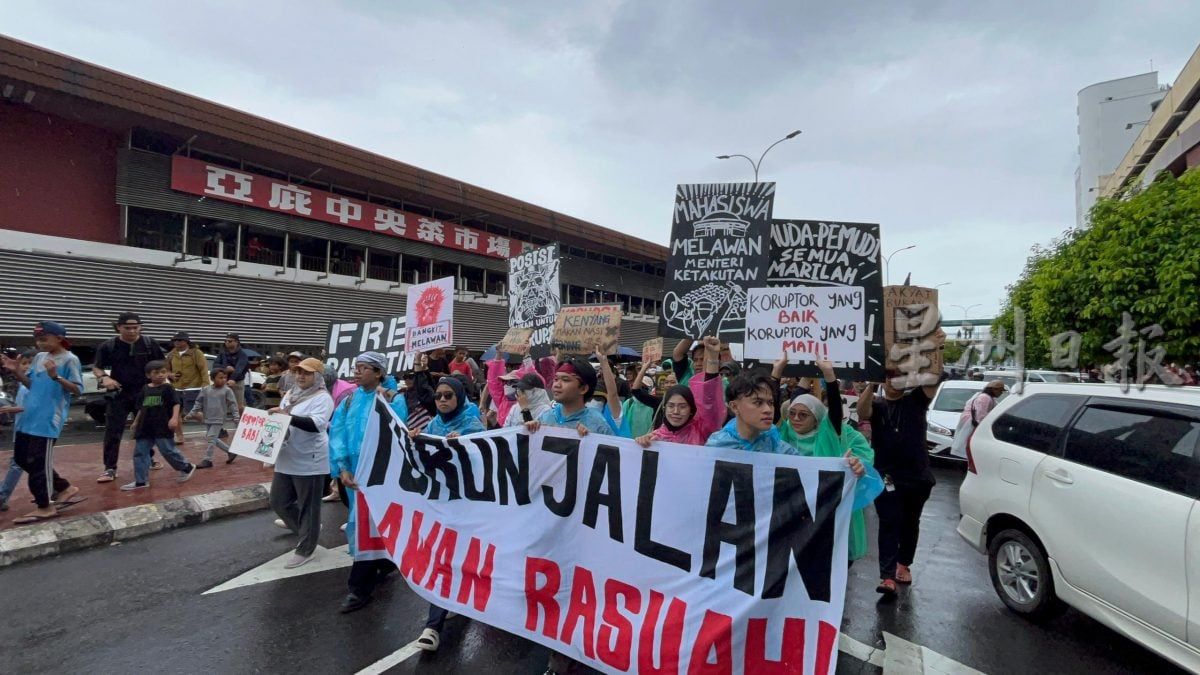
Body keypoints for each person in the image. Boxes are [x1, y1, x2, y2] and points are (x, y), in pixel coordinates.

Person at [521, 357, 613, 674]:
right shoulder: (546, 416)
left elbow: (618, 469)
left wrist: (595, 444)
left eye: (565, 379)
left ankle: (565, 655)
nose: (556, 384)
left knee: (574, 585)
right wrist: (531, 433)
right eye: (556, 378)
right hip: (549, 516)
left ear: (584, 388)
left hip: (582, 521)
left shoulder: (597, 424)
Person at [857, 345, 945, 595]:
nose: (893, 379)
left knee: (910, 523)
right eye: (888, 375)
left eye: (898, 375)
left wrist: (936, 346)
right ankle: (886, 577)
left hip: (917, 478)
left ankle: (903, 564)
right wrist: (871, 384)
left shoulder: (917, 399)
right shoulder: (877, 404)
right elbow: (862, 412)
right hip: (886, 477)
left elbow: (934, 377)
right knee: (888, 522)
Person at [777, 359, 882, 565]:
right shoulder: (786, 434)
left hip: (827, 517)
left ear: (817, 419)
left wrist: (829, 377)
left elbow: (834, 413)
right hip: (796, 517)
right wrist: (790, 373)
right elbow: (796, 401)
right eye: (792, 414)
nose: (796, 418)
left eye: (803, 415)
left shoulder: (830, 438)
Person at [330, 352, 408, 614]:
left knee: (371, 525)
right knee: (362, 525)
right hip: (355, 477)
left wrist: (387, 402)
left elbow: (398, 435)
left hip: (381, 477)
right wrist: (342, 467)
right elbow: (337, 433)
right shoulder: (349, 400)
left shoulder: (394, 399)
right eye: (356, 367)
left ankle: (358, 588)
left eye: (363, 368)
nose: (357, 372)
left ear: (378, 373)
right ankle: (384, 563)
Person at [413, 374, 484, 651]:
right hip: (438, 503)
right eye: (438, 396)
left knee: (455, 557)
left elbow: (483, 448)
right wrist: (416, 440)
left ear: (459, 398)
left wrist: (465, 440)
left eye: (448, 396)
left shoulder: (471, 423)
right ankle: (435, 622)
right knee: (442, 557)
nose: (441, 400)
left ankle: (438, 620)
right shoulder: (434, 423)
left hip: (466, 504)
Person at [2, 323, 84, 523]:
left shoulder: (70, 359)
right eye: (38, 340)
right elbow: (33, 385)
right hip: (30, 415)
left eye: (44, 339)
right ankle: (64, 488)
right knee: (21, 459)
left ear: (59, 338)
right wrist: (17, 372)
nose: (40, 343)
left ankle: (45, 505)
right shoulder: (39, 357)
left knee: (38, 463)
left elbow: (77, 390)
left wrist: (56, 377)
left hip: (48, 418)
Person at [269, 357, 334, 569]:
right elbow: (282, 421)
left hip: (310, 459)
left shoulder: (322, 398)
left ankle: (307, 548)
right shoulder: (290, 394)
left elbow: (316, 425)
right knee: (279, 500)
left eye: (306, 373)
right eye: (298, 372)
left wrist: (287, 416)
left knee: (309, 506)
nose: (300, 376)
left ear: (317, 376)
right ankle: (306, 528)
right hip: (287, 456)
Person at [94, 311, 165, 482]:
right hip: (119, 394)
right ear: (119, 327)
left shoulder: (150, 344)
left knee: (147, 428)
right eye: (127, 328)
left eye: (135, 327)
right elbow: (97, 367)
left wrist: (162, 382)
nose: (132, 331)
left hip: (146, 393)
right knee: (113, 430)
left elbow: (162, 365)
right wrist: (105, 377)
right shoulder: (108, 346)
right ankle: (110, 468)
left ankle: (148, 457)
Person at [635, 336, 724, 447]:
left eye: (682, 406)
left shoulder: (702, 430)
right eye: (671, 406)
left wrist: (712, 357)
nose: (676, 411)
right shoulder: (656, 436)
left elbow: (709, 402)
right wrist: (642, 442)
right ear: (664, 408)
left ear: (692, 409)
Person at [121, 360, 197, 491]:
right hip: (145, 426)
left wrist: (174, 419)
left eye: (164, 372)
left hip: (162, 425)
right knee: (140, 452)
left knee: (167, 450)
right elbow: (141, 407)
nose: (161, 375)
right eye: (157, 373)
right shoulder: (145, 389)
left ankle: (186, 467)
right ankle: (141, 481)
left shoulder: (168, 388)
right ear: (148, 375)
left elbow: (176, 403)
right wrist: (136, 421)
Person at [0, 349, 36, 512]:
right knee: (31, 462)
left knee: (19, 462)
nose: (27, 366)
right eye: (24, 363)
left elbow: (38, 406)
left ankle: (2, 496)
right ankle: (56, 488)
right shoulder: (22, 384)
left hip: (33, 428)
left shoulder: (35, 383)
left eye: (31, 363)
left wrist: (16, 409)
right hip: (21, 428)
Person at [185, 369, 239, 468]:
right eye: (220, 378)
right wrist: (192, 413)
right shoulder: (206, 390)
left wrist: (236, 416)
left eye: (225, 378)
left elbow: (233, 404)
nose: (223, 380)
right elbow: (198, 403)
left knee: (211, 438)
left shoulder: (227, 390)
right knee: (212, 438)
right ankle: (230, 451)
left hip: (219, 418)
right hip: (208, 417)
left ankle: (207, 459)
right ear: (212, 379)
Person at [166, 331, 209, 446]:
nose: (177, 342)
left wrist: (206, 385)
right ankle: (179, 436)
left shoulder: (196, 353)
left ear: (186, 341)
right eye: (175, 340)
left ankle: (212, 424)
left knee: (191, 412)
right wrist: (170, 375)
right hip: (176, 388)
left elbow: (203, 370)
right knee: (175, 413)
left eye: (179, 340)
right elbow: (166, 370)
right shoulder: (171, 354)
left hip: (193, 387)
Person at [949, 380, 1007, 459]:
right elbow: (981, 416)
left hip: (969, 422)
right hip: (971, 423)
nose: (1001, 393)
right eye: (1000, 391)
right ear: (994, 389)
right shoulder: (985, 398)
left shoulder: (987, 397)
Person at [214, 333, 250, 413]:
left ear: (236, 342)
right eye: (226, 341)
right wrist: (225, 369)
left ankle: (241, 423)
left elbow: (239, 368)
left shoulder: (242, 354)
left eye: (230, 341)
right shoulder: (222, 353)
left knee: (239, 406)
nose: (227, 343)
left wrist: (233, 379)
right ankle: (220, 424)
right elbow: (215, 365)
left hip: (237, 382)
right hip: (223, 381)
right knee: (220, 405)